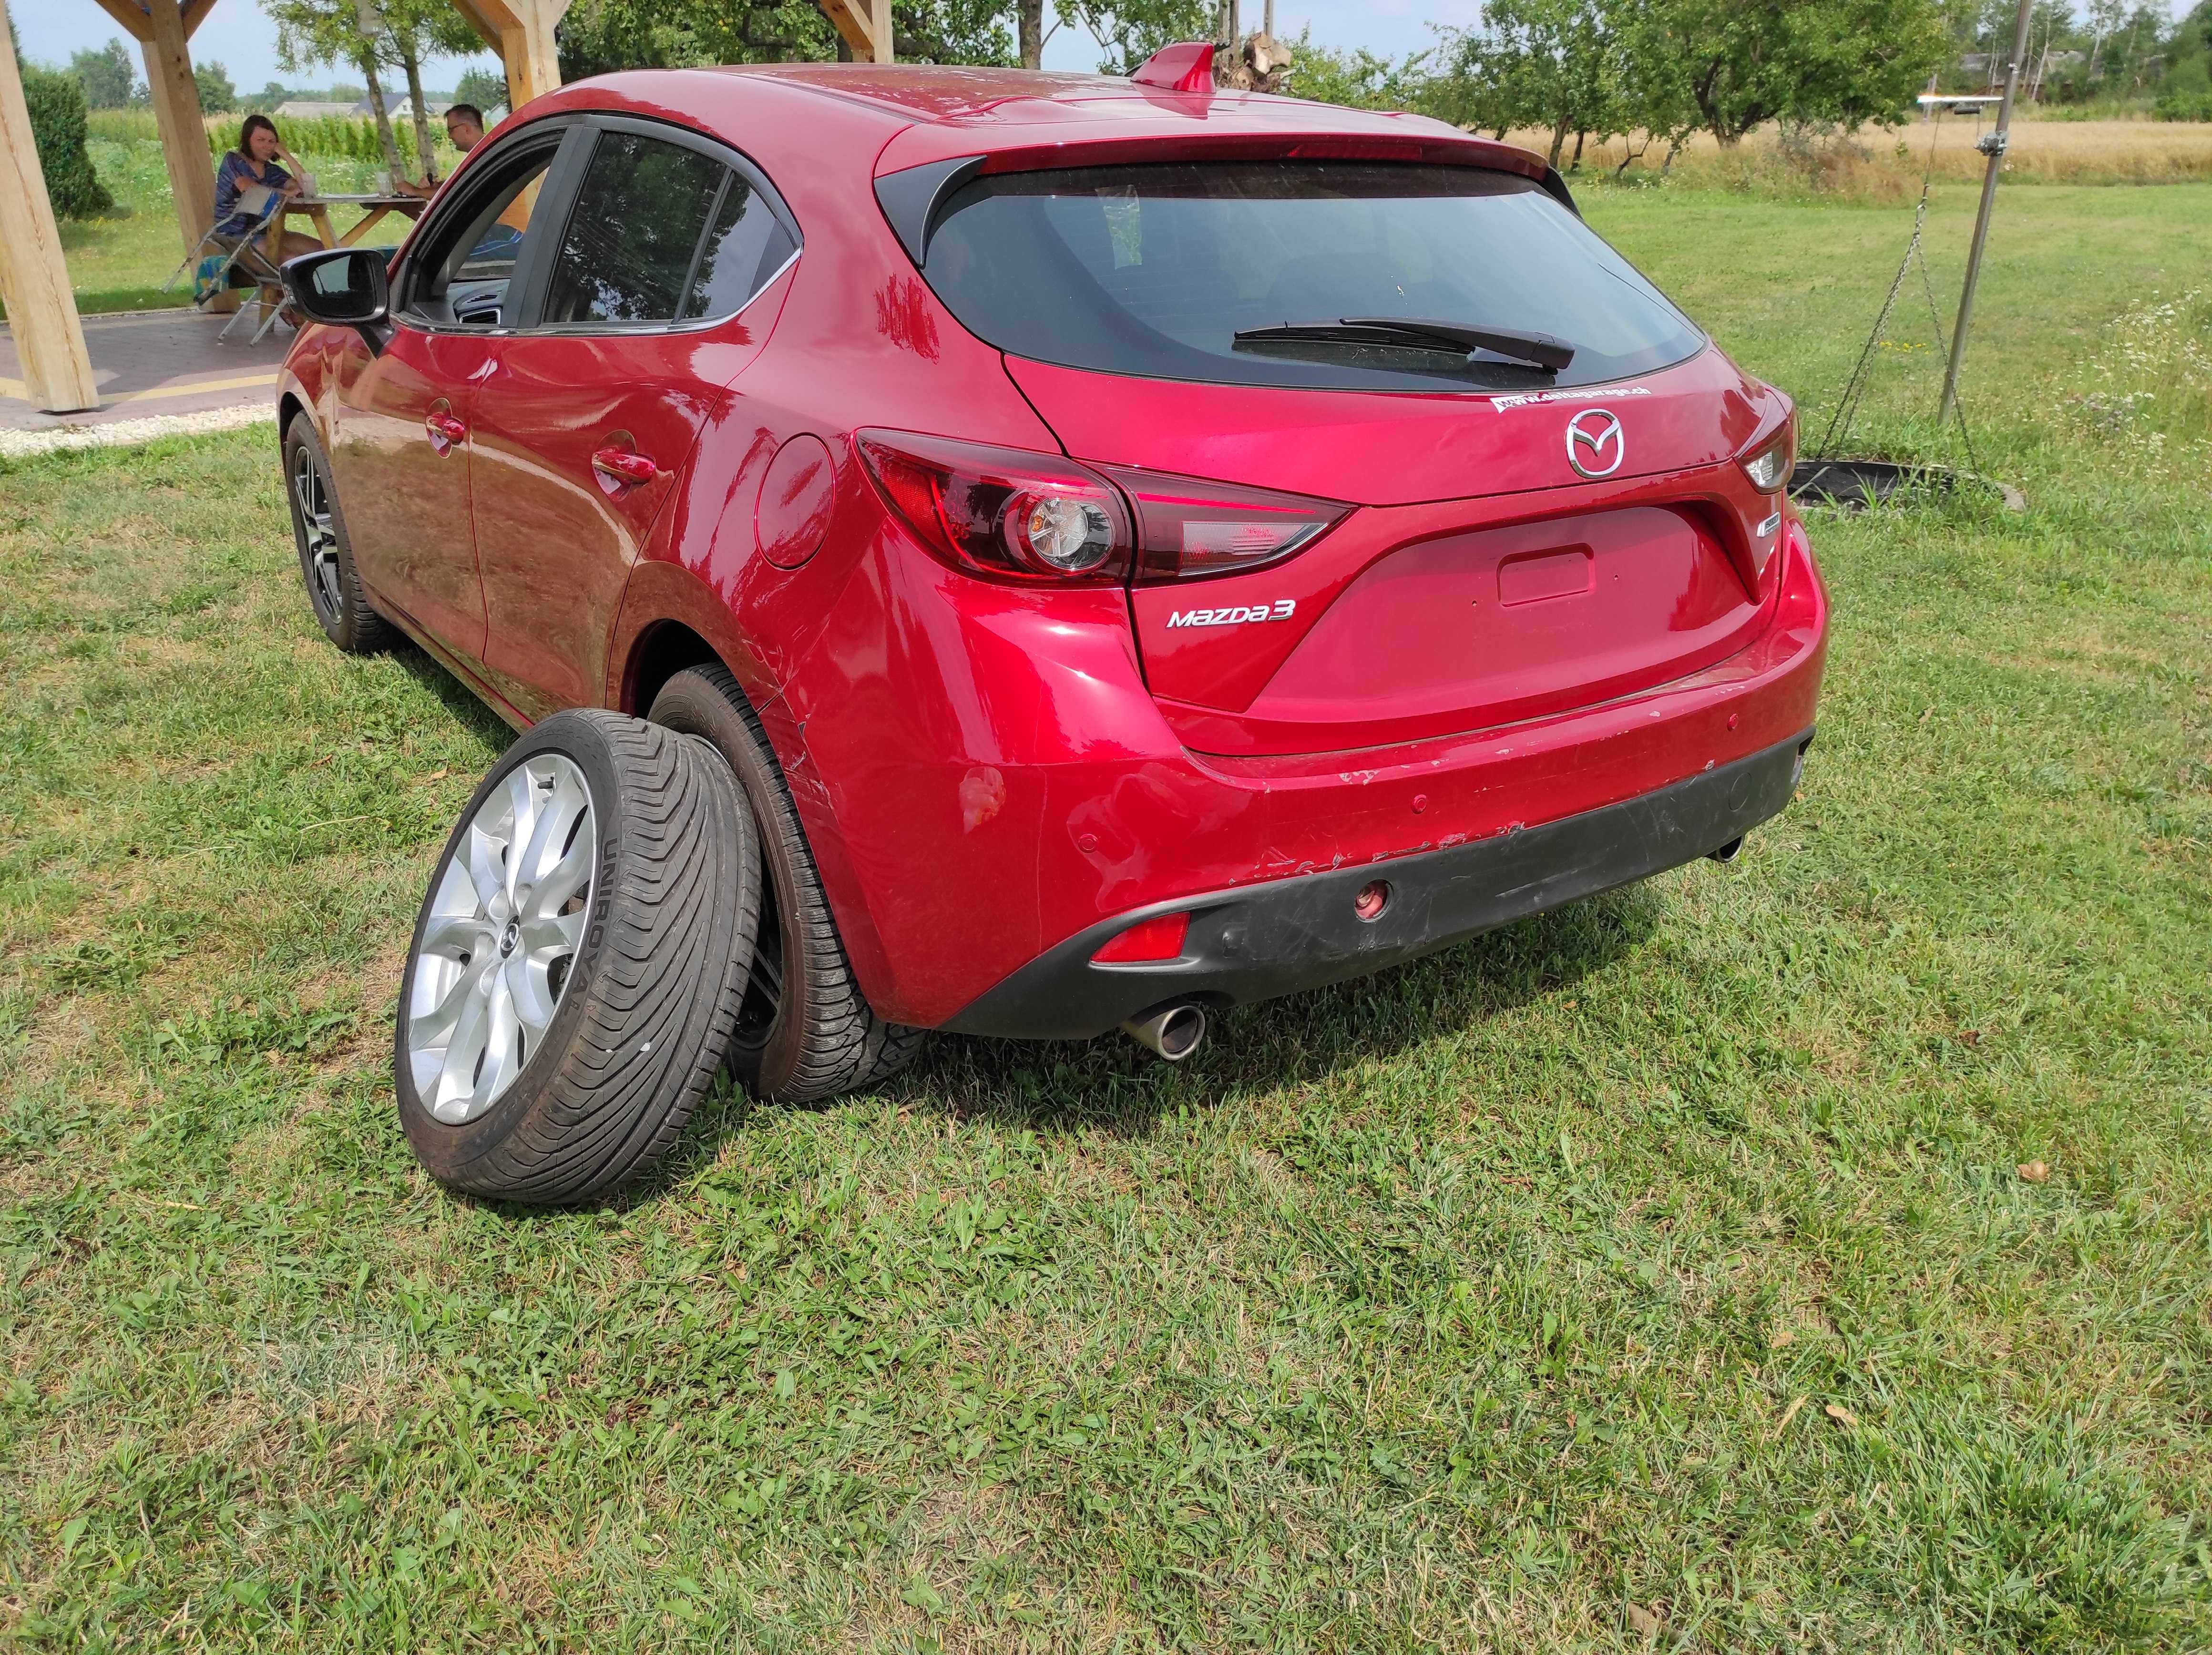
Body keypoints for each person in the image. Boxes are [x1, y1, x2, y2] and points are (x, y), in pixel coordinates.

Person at [213, 115, 320, 259]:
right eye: (260, 140)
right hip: (235, 237)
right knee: (292, 260)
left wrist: (285, 154)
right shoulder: (233, 160)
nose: (267, 146)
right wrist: (286, 193)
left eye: (272, 142)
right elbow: (248, 187)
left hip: (268, 233)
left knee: (324, 251)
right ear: (247, 141)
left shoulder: (271, 171)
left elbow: (304, 186)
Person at [394, 104, 488, 199]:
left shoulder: (486, 157)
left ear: (466, 129)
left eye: (451, 130)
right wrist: (437, 186)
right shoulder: (482, 153)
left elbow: (455, 193)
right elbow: (458, 184)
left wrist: (414, 191)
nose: (449, 137)